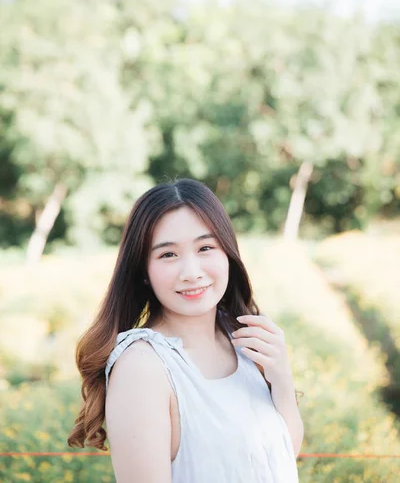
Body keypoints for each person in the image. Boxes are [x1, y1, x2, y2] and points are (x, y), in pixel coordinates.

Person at [67, 177, 303, 482]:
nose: (192, 273)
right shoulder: (143, 367)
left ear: (227, 253)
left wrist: (282, 379)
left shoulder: (245, 340)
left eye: (205, 247)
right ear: (143, 271)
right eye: (168, 254)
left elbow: (281, 457)